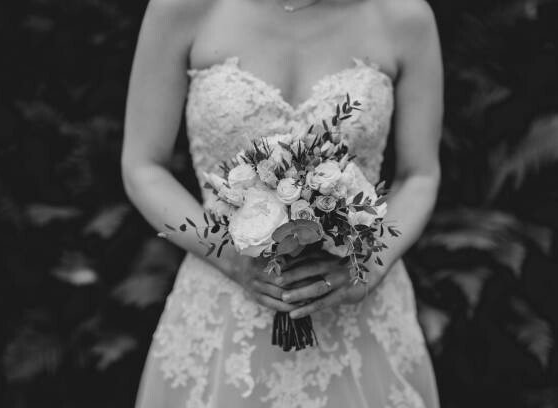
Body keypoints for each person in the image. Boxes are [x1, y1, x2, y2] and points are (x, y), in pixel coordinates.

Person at [122, 0, 443, 406]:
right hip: (225, 304)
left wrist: (371, 267)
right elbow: (142, 167)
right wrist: (230, 259)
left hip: (357, 307)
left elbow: (419, 175)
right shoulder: (182, 8)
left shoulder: (403, 16)